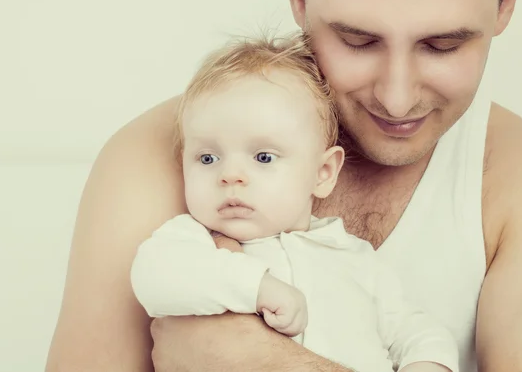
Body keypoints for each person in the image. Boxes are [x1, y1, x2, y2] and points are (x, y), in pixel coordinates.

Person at [45, 0, 522, 372]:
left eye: (442, 46)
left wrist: (260, 361)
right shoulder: (158, 156)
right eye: (356, 39)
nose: (396, 98)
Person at [129, 35, 460, 372]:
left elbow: (413, 329)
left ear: (323, 172)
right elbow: (152, 278)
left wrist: (428, 361)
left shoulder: (353, 257)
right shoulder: (191, 242)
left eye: (263, 156)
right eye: (208, 157)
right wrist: (256, 287)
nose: (229, 175)